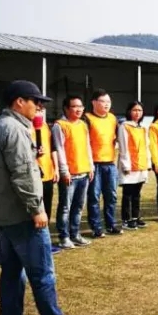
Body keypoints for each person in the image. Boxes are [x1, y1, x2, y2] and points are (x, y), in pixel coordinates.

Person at [0, 80, 86, 315]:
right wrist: (37, 209)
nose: (39, 107)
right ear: (19, 102)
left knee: (11, 274)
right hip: (22, 215)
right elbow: (23, 174)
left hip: (3, 214)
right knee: (42, 273)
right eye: (35, 102)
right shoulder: (15, 129)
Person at [52, 95, 94, 249]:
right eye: (75, 106)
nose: (79, 109)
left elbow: (87, 146)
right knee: (65, 207)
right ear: (66, 108)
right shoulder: (60, 125)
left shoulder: (83, 125)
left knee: (78, 206)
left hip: (84, 172)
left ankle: (75, 234)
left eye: (81, 106)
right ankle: (64, 237)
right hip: (70, 174)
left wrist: (90, 166)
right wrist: (64, 171)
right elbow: (59, 149)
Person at [85, 89, 121, 236]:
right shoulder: (87, 118)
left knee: (111, 195)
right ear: (94, 102)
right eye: (103, 101)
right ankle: (96, 227)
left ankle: (111, 224)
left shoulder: (112, 118)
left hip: (110, 163)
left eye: (108, 102)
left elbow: (118, 137)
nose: (106, 104)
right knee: (94, 196)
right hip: (94, 164)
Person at [117, 101, 150, 230]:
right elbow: (123, 147)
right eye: (135, 110)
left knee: (137, 193)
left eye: (140, 110)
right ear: (129, 111)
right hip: (130, 166)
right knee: (128, 194)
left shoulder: (143, 127)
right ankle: (126, 219)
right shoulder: (124, 126)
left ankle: (135, 217)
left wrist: (148, 163)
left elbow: (146, 146)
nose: (137, 113)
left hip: (141, 165)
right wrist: (126, 165)